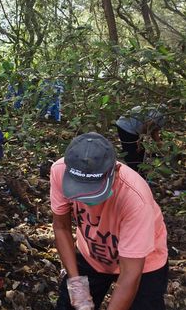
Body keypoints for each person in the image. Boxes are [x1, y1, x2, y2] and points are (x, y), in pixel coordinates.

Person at [50, 132, 168, 310]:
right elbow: (61, 227)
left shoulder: (135, 199)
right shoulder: (59, 171)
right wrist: (76, 283)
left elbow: (130, 273)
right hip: (92, 253)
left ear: (116, 170)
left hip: (143, 265)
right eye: (80, 190)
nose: (86, 200)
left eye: (94, 191)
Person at [115, 106, 165, 174]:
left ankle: (140, 170)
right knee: (131, 152)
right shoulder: (157, 114)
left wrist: (158, 143)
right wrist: (139, 142)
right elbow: (147, 126)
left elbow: (154, 130)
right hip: (126, 126)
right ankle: (134, 172)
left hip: (133, 126)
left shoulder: (160, 115)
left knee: (140, 151)